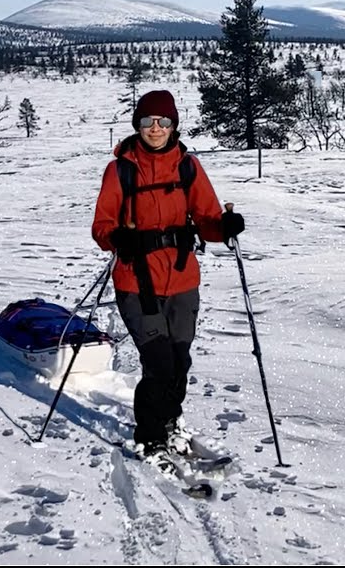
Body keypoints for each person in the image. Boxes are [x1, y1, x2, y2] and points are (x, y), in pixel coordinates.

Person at [91, 89, 245, 461]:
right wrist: (117, 239)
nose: (155, 129)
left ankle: (170, 420)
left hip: (181, 279)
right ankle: (150, 435)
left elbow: (207, 218)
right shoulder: (121, 170)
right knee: (158, 363)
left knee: (179, 362)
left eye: (163, 121)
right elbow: (101, 226)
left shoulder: (187, 167)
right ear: (137, 125)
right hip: (135, 280)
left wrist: (224, 227)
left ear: (174, 125)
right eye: (147, 122)